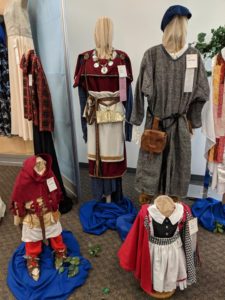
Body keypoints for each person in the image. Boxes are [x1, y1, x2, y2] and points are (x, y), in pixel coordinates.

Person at [11, 154, 67, 281]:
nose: (42, 169)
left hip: (49, 214)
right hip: (33, 217)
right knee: (32, 239)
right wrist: (18, 214)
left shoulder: (49, 174)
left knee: (55, 234)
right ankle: (32, 258)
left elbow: (55, 191)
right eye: (38, 166)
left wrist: (54, 203)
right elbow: (18, 198)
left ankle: (59, 250)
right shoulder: (23, 179)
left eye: (43, 165)